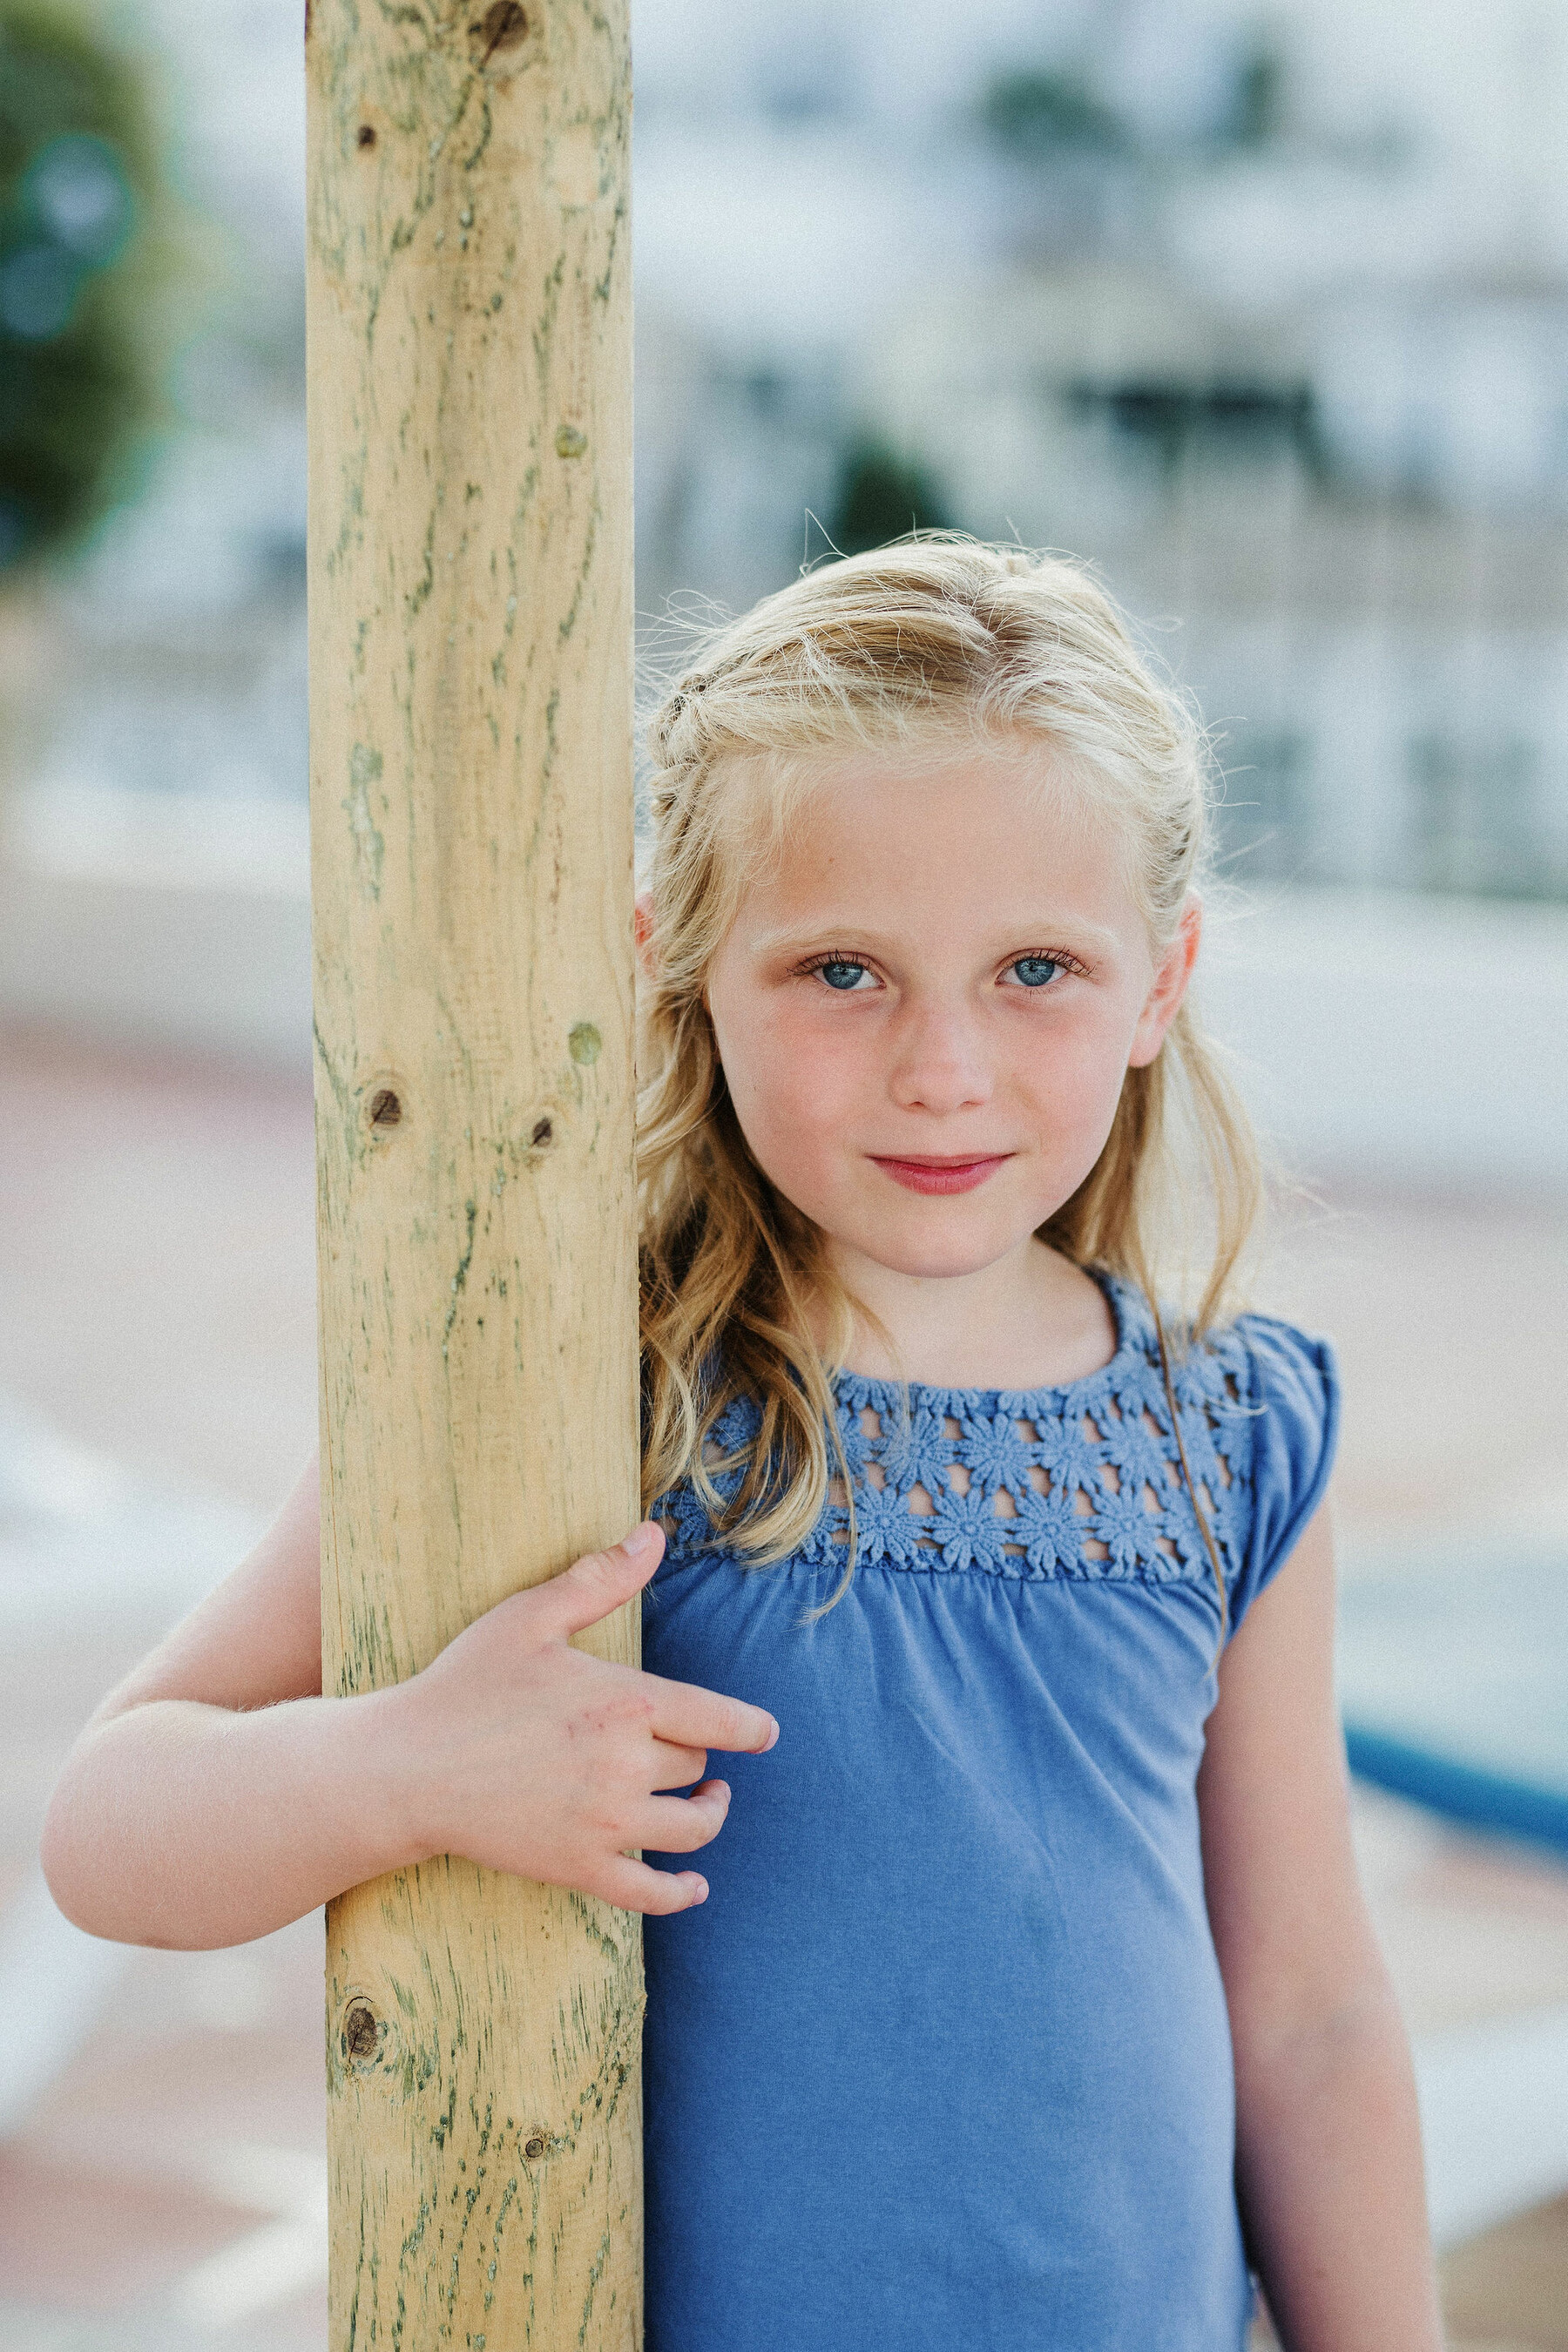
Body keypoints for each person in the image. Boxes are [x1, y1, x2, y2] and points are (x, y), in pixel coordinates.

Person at [42, 540, 1442, 2351]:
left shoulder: (1230, 1432)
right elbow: (105, 1824)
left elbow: (1312, 2010)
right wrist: (400, 1767)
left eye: (1036, 968)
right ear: (682, 961)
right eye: (843, 971)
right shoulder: (572, 1395)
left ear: (1162, 978)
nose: (942, 1066)